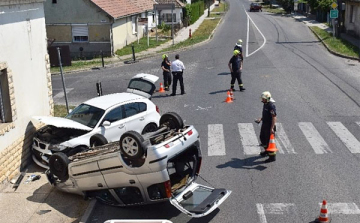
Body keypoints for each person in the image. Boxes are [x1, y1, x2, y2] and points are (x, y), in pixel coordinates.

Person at [255, 91, 277, 162]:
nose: (262, 100)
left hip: (269, 126)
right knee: (262, 138)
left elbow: (274, 117)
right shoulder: (265, 104)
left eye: (264, 98)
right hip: (264, 124)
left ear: (268, 98)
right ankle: (267, 151)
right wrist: (261, 119)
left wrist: (272, 128)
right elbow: (266, 114)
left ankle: (272, 157)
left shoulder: (271, 106)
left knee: (269, 141)